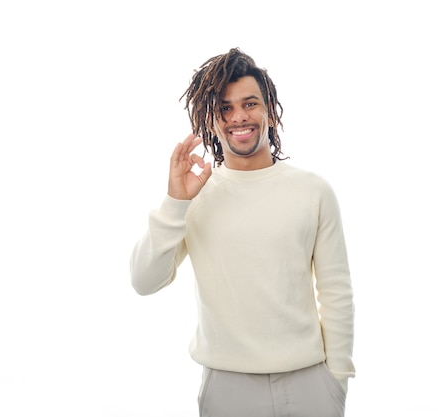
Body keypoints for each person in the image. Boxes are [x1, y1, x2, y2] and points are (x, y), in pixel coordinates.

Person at [129, 47, 355, 417]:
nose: (239, 117)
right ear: (212, 120)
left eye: (250, 104)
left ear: (270, 109)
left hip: (310, 384)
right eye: (225, 108)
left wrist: (337, 381)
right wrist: (175, 202)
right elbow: (143, 280)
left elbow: (336, 292)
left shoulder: (314, 191)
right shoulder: (195, 197)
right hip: (228, 389)